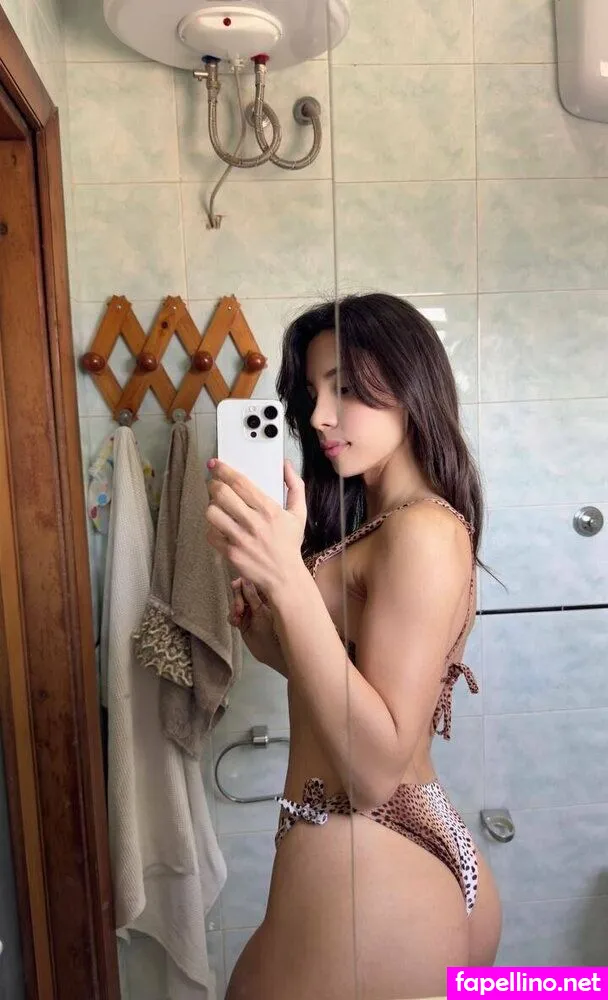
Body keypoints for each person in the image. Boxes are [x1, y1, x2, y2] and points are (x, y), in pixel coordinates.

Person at [205, 293, 502, 1000]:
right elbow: (354, 692)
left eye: (344, 388)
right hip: (386, 863)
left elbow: (374, 771)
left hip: (368, 865)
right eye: (312, 394)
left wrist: (289, 580)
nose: (318, 417)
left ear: (411, 385)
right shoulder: (384, 526)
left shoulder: (423, 529)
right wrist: (276, 641)